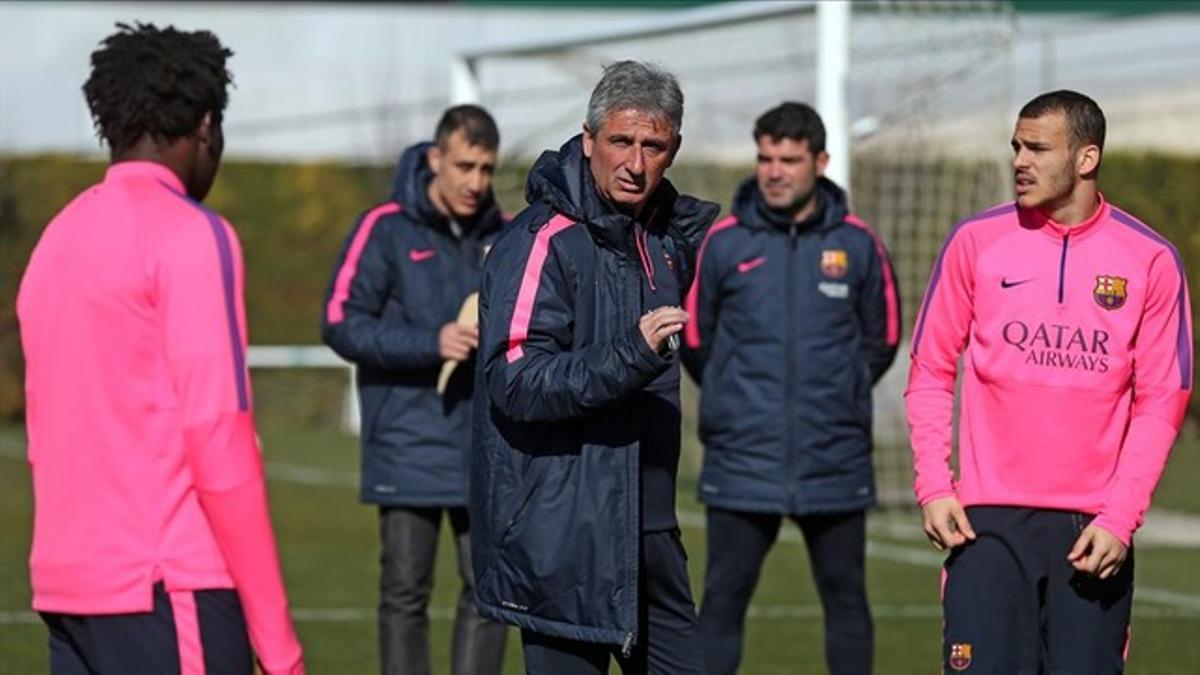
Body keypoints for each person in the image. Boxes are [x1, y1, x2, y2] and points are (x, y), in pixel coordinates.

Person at [16, 23, 304, 674]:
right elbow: (218, 436)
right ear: (206, 125)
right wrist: (278, 639)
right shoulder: (192, 237)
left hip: (68, 593)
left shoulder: (55, 243)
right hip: (167, 585)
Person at [906, 90, 1193, 674]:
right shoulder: (974, 242)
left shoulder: (1150, 259)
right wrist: (934, 485)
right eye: (1016, 146)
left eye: (1037, 148)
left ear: (1086, 159)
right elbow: (931, 368)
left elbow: (1163, 399)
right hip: (984, 525)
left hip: (1092, 531)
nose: (1019, 160)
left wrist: (1120, 518)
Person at [470, 60, 718, 674]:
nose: (636, 162)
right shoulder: (539, 240)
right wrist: (629, 355)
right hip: (564, 538)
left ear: (674, 149)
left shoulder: (667, 243)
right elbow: (515, 379)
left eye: (653, 145)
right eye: (621, 141)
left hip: (652, 532)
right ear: (588, 140)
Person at [682, 101, 900, 675]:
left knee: (847, 599)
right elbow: (696, 341)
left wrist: (837, 393)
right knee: (723, 603)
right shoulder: (723, 243)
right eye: (765, 158)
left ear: (820, 162)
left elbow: (883, 340)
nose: (775, 171)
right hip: (742, 458)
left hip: (834, 456)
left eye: (789, 159)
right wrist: (736, 402)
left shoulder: (858, 246)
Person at [321, 105, 508, 675]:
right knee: (405, 594)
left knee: (492, 593)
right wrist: (433, 342)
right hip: (408, 445)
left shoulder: (504, 236)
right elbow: (340, 321)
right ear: (435, 159)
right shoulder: (384, 227)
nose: (476, 182)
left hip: (486, 446)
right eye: (464, 166)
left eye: (486, 169)